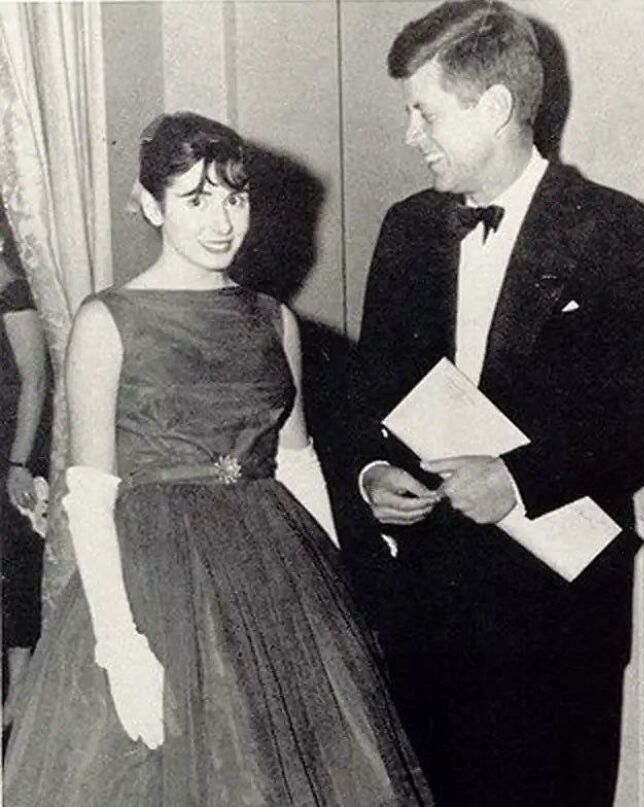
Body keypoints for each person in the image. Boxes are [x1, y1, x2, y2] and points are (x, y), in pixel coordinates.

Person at [3, 112, 433, 806]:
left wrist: (338, 600)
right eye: (195, 199)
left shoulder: (273, 318)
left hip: (276, 573)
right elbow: (89, 492)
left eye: (235, 197)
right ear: (149, 205)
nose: (222, 220)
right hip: (153, 576)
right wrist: (120, 643)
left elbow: (297, 462)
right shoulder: (106, 319)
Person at [348, 3, 644, 806]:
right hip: (425, 613)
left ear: (496, 108)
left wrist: (520, 479)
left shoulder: (617, 231)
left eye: (424, 112)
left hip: (555, 620)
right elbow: (373, 390)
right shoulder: (406, 230)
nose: (411, 136)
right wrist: (371, 472)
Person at [0, 218, 49, 717]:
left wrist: (18, 463)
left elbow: (34, 382)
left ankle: (18, 693)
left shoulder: (12, 292)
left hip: (12, 445)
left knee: (17, 558)